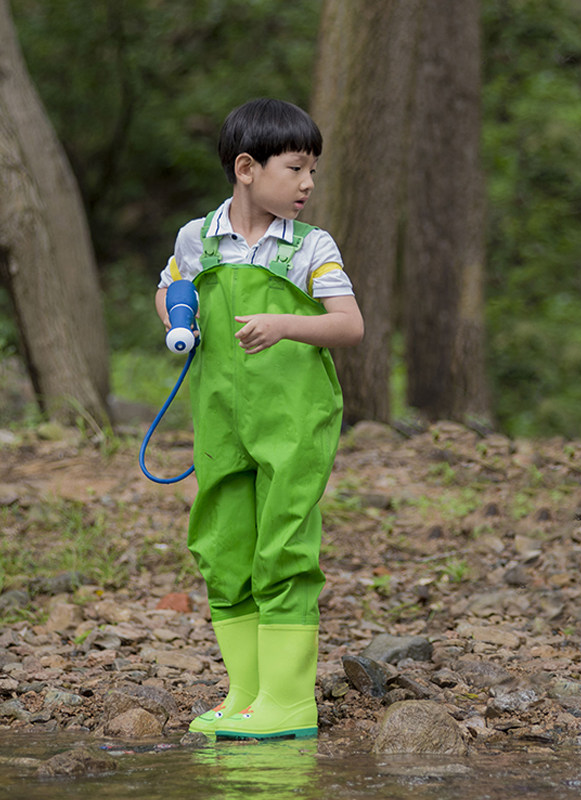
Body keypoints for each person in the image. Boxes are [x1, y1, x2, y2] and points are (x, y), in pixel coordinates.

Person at [154, 98, 363, 740]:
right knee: (221, 545)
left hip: (293, 421)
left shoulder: (309, 245)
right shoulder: (198, 238)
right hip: (220, 419)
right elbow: (167, 288)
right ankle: (247, 692)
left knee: (284, 544)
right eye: (296, 168)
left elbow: (349, 325)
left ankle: (290, 700)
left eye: (313, 172)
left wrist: (284, 324)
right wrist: (177, 315)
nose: (307, 184)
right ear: (247, 168)